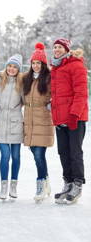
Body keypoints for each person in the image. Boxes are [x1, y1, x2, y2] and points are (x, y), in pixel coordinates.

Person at [50, 38, 88, 204]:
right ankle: (68, 183)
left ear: (66, 49)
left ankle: (78, 184)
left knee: (75, 151)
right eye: (55, 47)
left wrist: (74, 115)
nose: (57, 49)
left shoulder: (76, 65)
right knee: (63, 152)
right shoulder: (55, 68)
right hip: (60, 118)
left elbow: (81, 93)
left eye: (60, 47)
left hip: (75, 118)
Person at [22, 43, 54, 202]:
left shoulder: (49, 78)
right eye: (33, 63)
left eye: (38, 63)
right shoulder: (26, 79)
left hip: (43, 119)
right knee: (35, 153)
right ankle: (46, 181)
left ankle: (41, 185)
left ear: (43, 64)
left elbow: (58, 93)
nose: (35, 66)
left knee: (39, 155)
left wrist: (52, 103)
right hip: (29, 120)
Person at [0, 54, 24, 200]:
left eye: (15, 67)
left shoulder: (22, 84)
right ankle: (4, 186)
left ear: (18, 70)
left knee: (16, 156)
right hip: (0, 124)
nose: (12, 69)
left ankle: (13, 185)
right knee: (5, 155)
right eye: (10, 66)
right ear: (6, 67)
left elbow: (26, 101)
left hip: (16, 125)